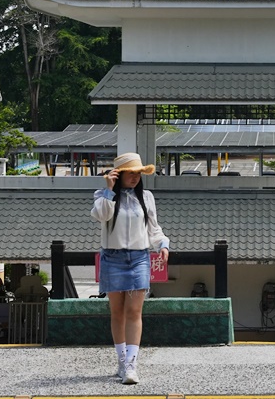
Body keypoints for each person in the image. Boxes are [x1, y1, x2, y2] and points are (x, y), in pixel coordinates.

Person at [91, 152, 170, 385]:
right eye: (130, 173)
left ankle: (132, 365)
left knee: (134, 311)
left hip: (139, 258)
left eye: (138, 174)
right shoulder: (102, 196)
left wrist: (163, 244)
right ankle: (121, 360)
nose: (135, 178)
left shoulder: (145, 197)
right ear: (119, 174)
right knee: (117, 312)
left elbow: (153, 228)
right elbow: (101, 215)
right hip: (112, 258)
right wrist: (109, 189)